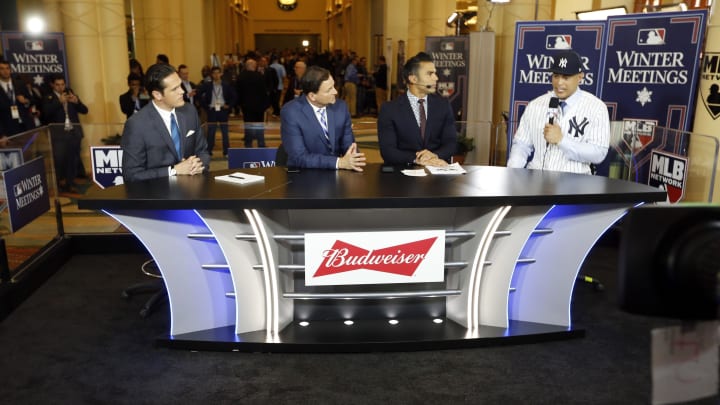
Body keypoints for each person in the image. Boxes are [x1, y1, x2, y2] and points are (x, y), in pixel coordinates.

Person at [507, 50, 609, 174]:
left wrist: (561, 140)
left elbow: (599, 153)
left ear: (580, 76)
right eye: (556, 76)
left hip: (575, 184)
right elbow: (521, 145)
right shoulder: (535, 105)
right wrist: (512, 174)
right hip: (536, 181)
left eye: (566, 77)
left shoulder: (596, 107)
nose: (559, 83)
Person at [121, 63, 209, 182]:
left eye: (180, 85)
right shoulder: (137, 125)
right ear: (157, 95)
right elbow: (132, 175)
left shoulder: (189, 111)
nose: (182, 91)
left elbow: (203, 151)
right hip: (158, 196)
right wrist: (174, 171)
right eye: (175, 89)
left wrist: (198, 165)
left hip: (192, 192)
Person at [377, 52, 456, 167]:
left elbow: (451, 143)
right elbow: (388, 151)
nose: (436, 78)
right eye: (430, 74)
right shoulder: (389, 110)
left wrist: (434, 155)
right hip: (402, 176)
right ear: (413, 79)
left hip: (437, 172)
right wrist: (416, 159)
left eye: (435, 73)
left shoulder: (443, 106)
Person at [280, 65, 365, 171]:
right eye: (329, 90)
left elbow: (349, 145)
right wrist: (339, 162)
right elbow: (299, 157)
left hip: (337, 174)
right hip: (303, 175)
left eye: (334, 86)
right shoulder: (291, 112)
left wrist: (353, 158)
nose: (335, 92)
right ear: (312, 96)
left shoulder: (341, 107)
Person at [42, 75, 89, 193]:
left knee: (73, 158)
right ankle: (60, 183)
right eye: (57, 85)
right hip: (59, 135)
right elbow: (45, 113)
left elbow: (85, 110)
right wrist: (59, 102)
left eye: (62, 84)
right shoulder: (49, 98)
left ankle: (70, 182)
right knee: (60, 159)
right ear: (53, 85)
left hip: (73, 133)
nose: (61, 87)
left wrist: (76, 102)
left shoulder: (70, 95)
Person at [199, 66, 236, 156]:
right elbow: (199, 94)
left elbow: (234, 96)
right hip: (212, 110)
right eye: (214, 73)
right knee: (211, 132)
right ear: (212, 75)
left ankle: (226, 151)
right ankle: (209, 150)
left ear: (221, 74)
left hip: (223, 110)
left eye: (218, 73)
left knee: (225, 132)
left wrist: (229, 106)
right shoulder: (207, 85)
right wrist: (206, 106)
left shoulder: (226, 85)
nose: (216, 75)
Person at [235, 59, 268, 148]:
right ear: (254, 66)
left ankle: (248, 144)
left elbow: (237, 91)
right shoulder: (259, 76)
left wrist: (239, 104)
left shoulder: (241, 76)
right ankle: (261, 143)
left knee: (248, 124)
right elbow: (264, 92)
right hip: (259, 106)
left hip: (246, 106)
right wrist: (266, 105)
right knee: (259, 124)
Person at [0, 60, 35, 140]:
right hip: (8, 129)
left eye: (7, 68)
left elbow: (32, 100)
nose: (5, 71)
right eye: (2, 69)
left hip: (25, 125)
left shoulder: (20, 84)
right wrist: (1, 134)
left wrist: (26, 101)